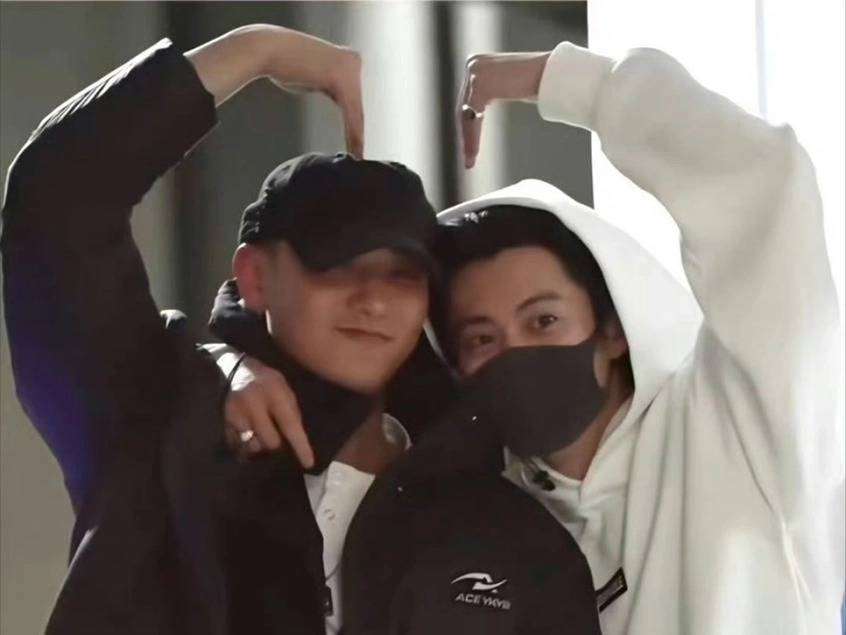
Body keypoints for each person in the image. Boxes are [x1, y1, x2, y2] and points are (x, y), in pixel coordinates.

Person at [222, 42, 844, 634]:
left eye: (542, 321)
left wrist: (565, 81)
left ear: (611, 327)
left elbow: (765, 187)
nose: (514, 353)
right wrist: (229, 360)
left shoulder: (732, 427)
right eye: (481, 338)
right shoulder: (479, 508)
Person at [1, 23, 447, 635]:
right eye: (337, 264)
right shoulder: (161, 418)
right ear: (255, 277)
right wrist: (259, 49)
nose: (373, 300)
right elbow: (58, 196)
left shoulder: (481, 474)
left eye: (402, 273)